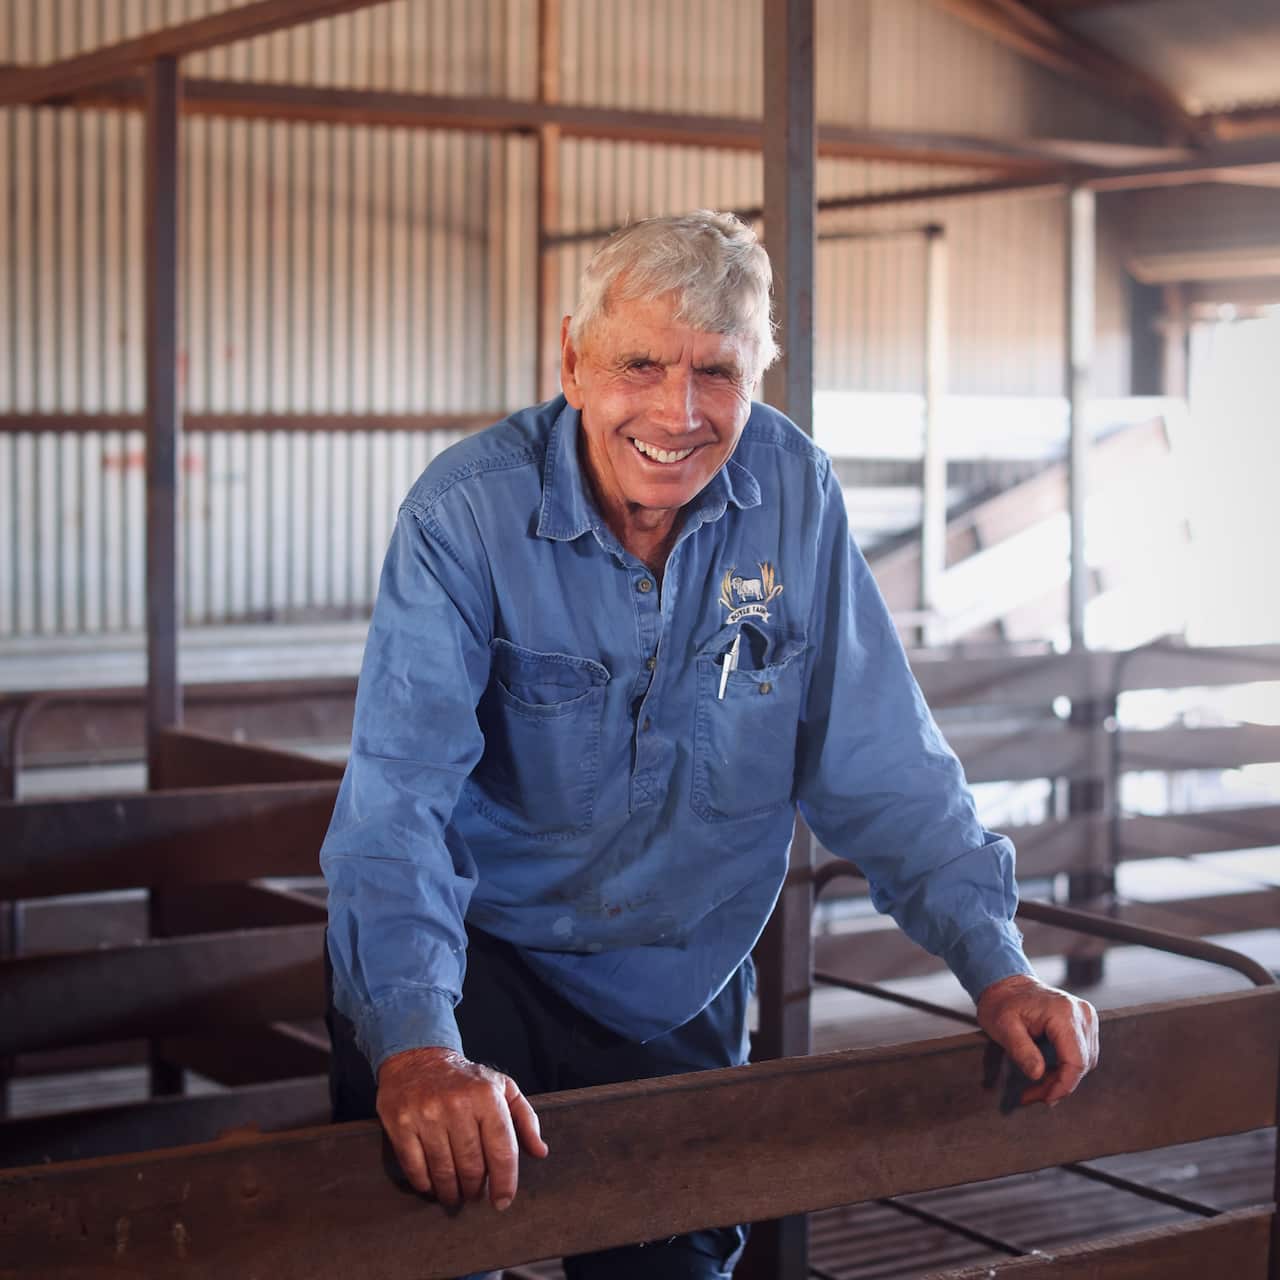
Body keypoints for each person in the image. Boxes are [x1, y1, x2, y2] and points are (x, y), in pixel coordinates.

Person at [320, 210, 1099, 1279]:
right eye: (639, 362)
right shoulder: (465, 516)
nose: (676, 411)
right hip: (472, 964)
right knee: (428, 1260)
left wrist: (996, 964)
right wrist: (416, 1044)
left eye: (715, 372)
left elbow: (880, 759)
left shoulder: (795, 495)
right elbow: (396, 800)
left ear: (756, 376)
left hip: (670, 980)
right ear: (571, 360)